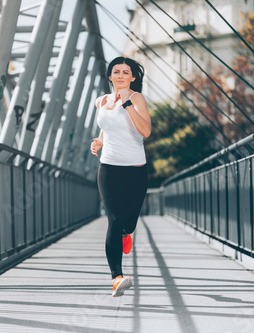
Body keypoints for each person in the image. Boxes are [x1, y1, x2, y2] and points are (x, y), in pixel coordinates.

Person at [91, 56, 151, 297]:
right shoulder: (101, 101)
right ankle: (116, 277)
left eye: (125, 72)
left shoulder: (136, 99)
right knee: (114, 220)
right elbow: (107, 126)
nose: (120, 76)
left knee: (128, 223)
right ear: (110, 75)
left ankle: (127, 233)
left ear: (133, 77)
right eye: (116, 71)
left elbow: (145, 130)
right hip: (109, 168)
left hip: (136, 170)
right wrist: (99, 141)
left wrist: (127, 104)